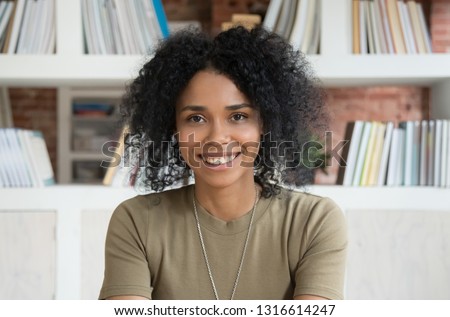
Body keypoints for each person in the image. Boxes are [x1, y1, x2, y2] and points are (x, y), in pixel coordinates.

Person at [99, 26, 347, 300]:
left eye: (238, 116)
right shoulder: (136, 222)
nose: (217, 138)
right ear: (174, 129)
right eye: (196, 118)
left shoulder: (314, 221)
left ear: (264, 122)